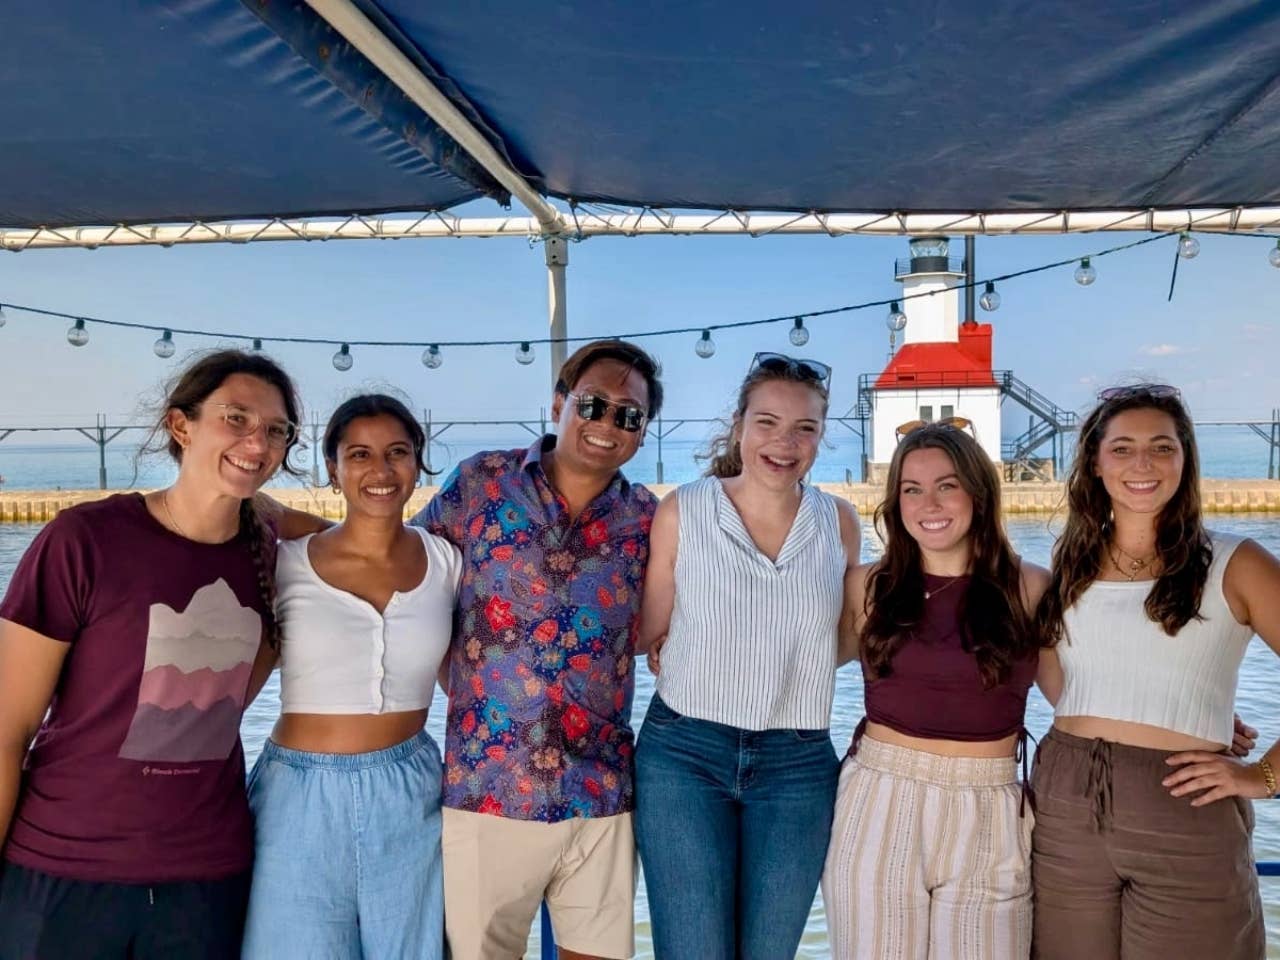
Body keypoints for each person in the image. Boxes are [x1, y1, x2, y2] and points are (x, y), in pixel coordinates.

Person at [0, 350, 302, 958]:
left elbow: (366, 540)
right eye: (236, 418)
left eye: (277, 430)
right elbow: (9, 728)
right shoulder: (84, 541)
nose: (257, 442)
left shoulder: (276, 556)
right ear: (180, 425)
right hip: (61, 873)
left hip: (207, 880)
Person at [415, 339, 663, 960]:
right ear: (559, 404)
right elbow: (409, 576)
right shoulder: (481, 482)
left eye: (629, 415)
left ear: (642, 432)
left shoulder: (648, 519)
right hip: (488, 786)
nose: (607, 423)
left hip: (601, 794)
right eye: (593, 404)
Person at [1030, 383, 1280, 960]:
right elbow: (1055, 666)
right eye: (1122, 448)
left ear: (1185, 460)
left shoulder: (1235, 561)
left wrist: (1263, 776)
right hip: (1065, 797)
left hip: (1183, 798)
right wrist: (1162, 701)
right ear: (1095, 463)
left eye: (1162, 447)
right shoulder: (1070, 563)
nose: (1142, 464)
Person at [636, 352, 860, 959]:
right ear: (738, 426)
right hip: (684, 756)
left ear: (821, 437)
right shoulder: (683, 510)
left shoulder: (839, 523)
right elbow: (649, 631)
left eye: (805, 428)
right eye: (767, 422)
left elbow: (839, 642)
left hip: (798, 763)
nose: (784, 442)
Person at [241, 395, 461, 958]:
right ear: (333, 468)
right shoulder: (286, 561)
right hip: (298, 797)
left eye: (397, 452)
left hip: (412, 790)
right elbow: (236, 501)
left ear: (418, 461)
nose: (380, 470)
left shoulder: (448, 562)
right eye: (359, 455)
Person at [821, 419, 1048, 959]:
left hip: (991, 806)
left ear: (978, 492)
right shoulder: (867, 586)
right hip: (879, 800)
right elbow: (796, 664)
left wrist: (1194, 722)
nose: (930, 503)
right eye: (912, 489)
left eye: (948, 485)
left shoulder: (1031, 587)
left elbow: (1082, 691)